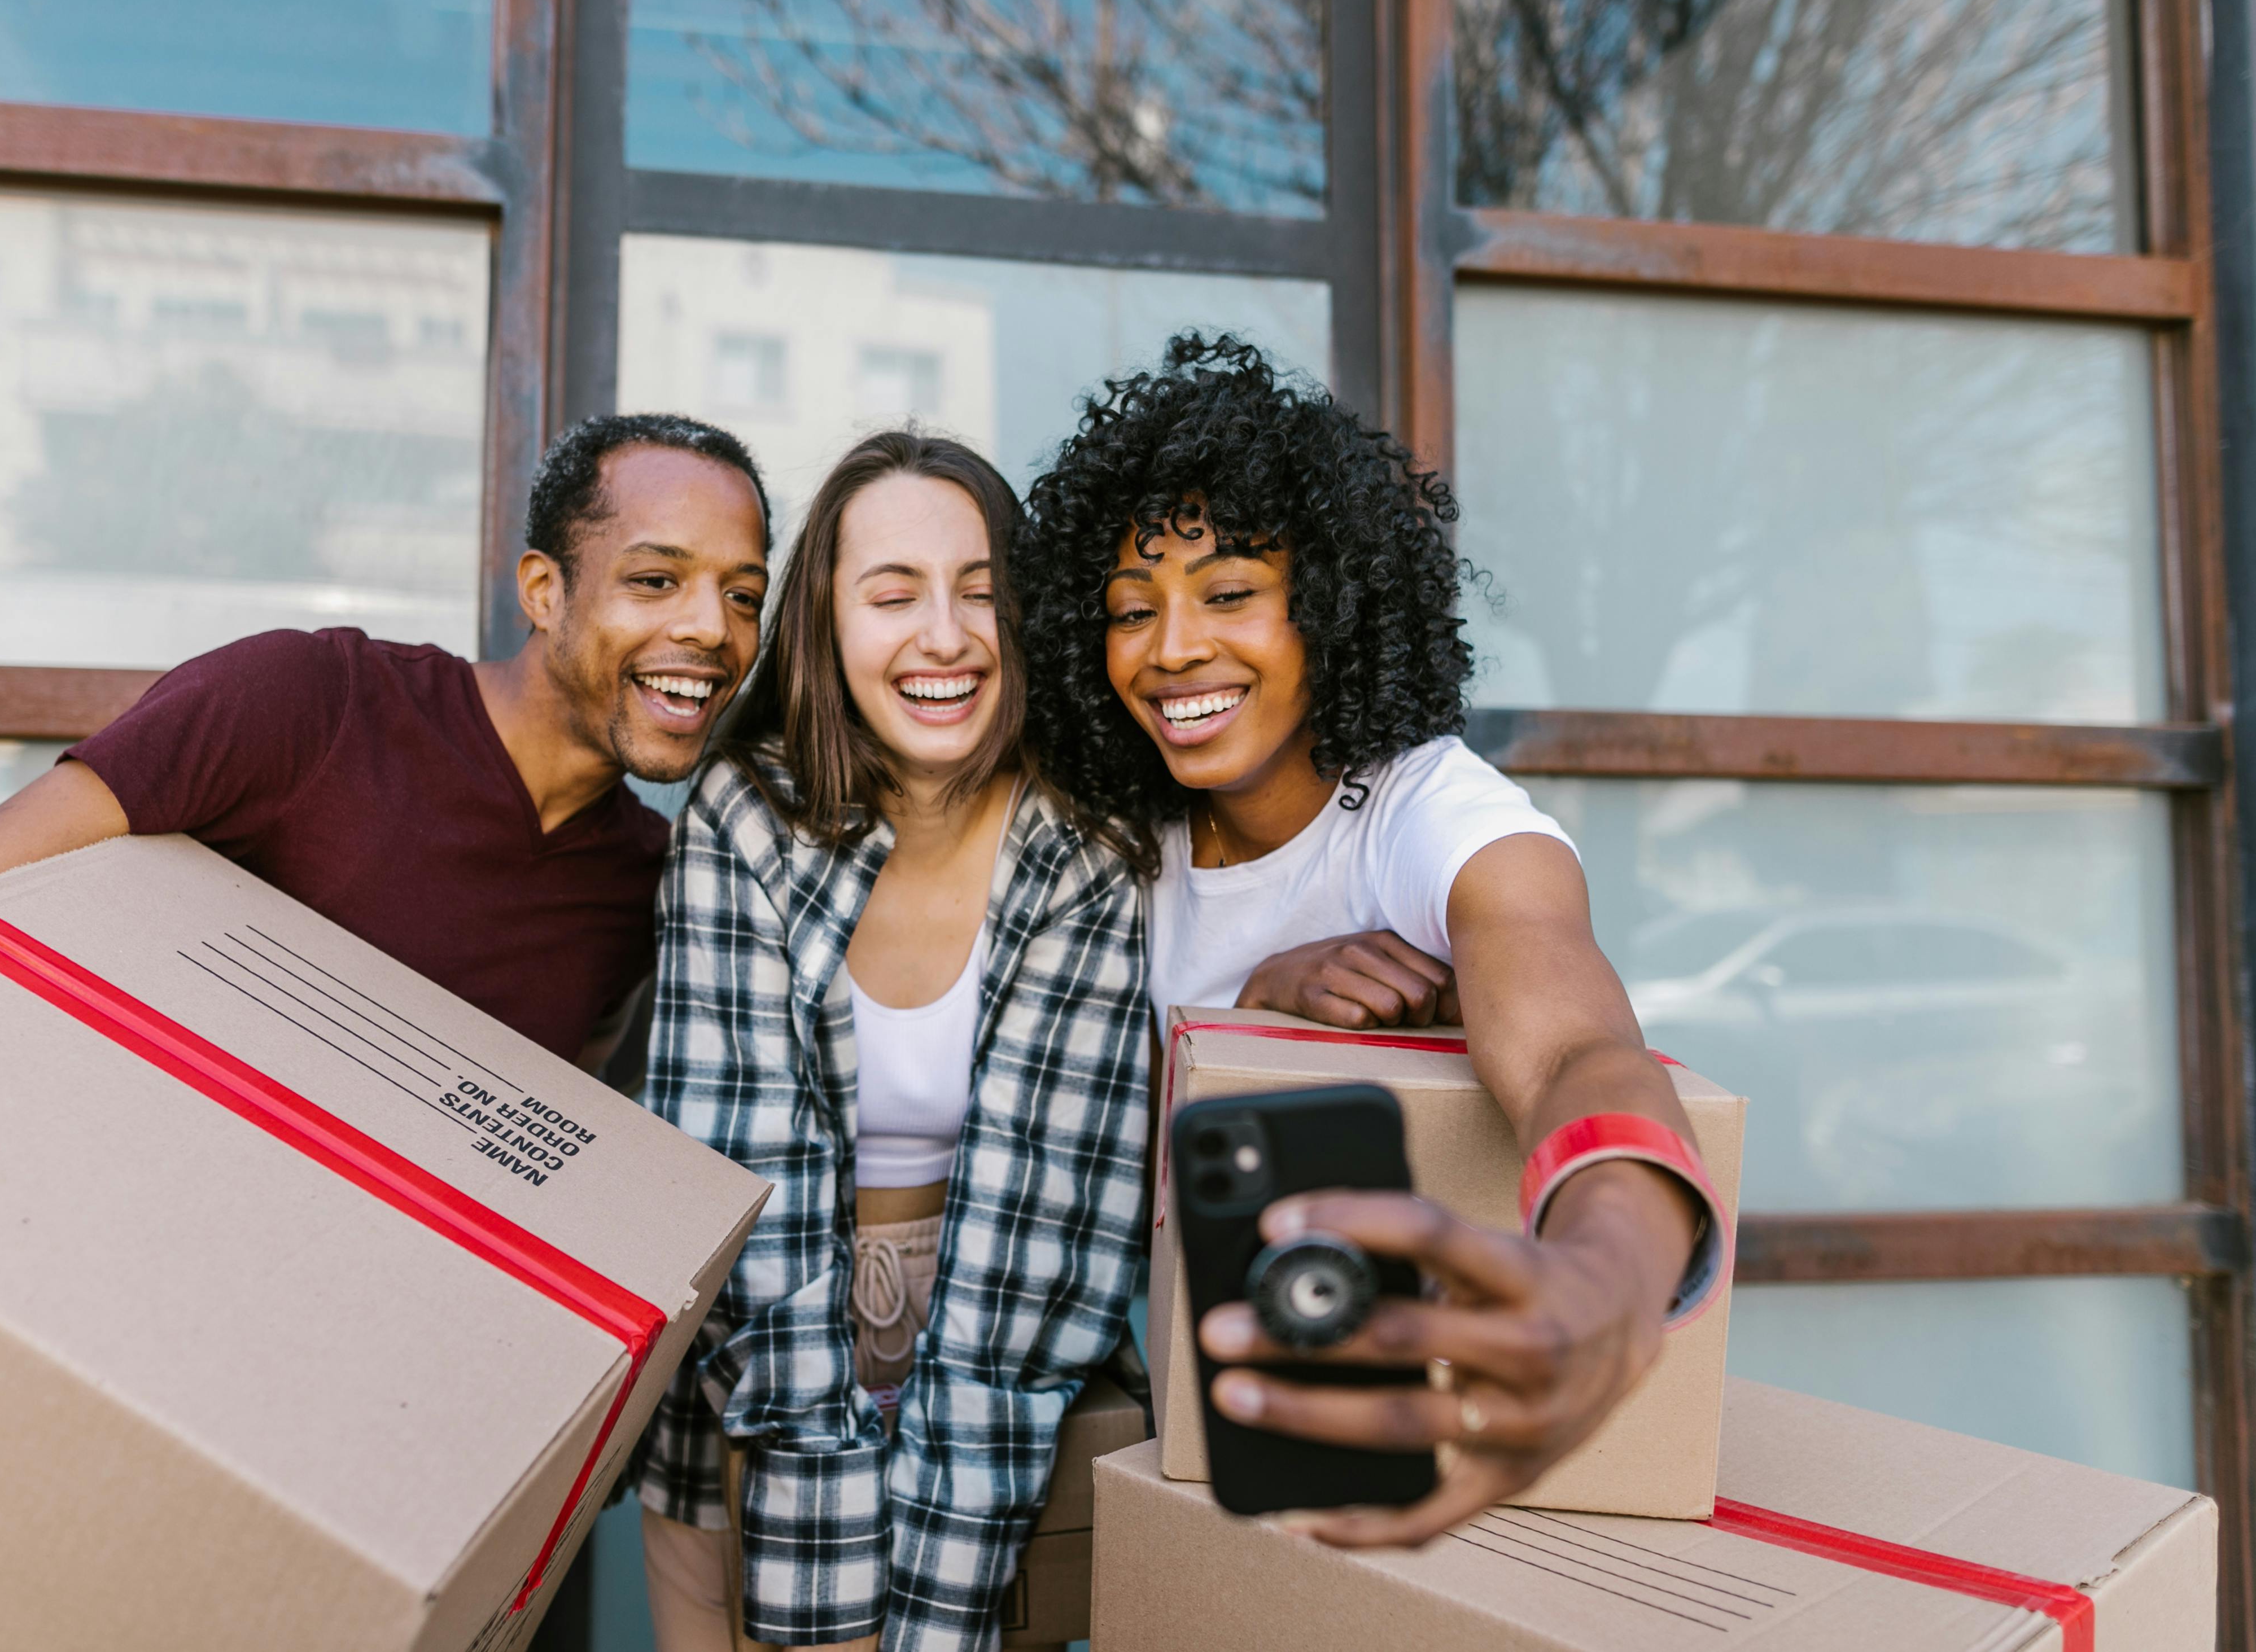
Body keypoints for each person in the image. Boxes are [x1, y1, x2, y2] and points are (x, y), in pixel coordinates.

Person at [0, 413, 773, 1646]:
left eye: (742, 596)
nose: (708, 630)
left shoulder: (646, 890)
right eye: (655, 579)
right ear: (542, 588)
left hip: (307, 1471)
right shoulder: (311, 707)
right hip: (44, 1330)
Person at [1019, 332, 1726, 1550]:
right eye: (1130, 612)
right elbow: (1068, 1156)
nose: (1172, 648)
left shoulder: (1430, 813)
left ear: (1330, 604)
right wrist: (1251, 1000)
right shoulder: (1106, 843)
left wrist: (1599, 1287)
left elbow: (1578, 1050)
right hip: (1168, 1436)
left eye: (1229, 593)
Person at [633, 432, 1152, 1652]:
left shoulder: (1084, 851)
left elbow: (1040, 1251)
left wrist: (919, 1627)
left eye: (981, 592)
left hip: (999, 1359)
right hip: (753, 1356)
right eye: (893, 594)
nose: (945, 636)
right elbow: (740, 1192)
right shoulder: (742, 812)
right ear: (826, 623)